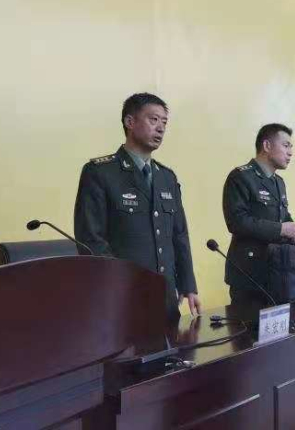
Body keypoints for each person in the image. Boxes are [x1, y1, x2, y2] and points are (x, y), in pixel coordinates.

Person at [74, 93, 201, 319]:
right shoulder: (101, 173)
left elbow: (179, 234)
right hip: (121, 300)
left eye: (164, 122)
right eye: (154, 119)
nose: (161, 128)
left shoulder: (167, 177)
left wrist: (188, 285)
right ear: (130, 122)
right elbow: (91, 239)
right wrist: (117, 284)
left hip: (165, 297)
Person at [222, 124, 295, 310]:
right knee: (249, 327)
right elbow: (237, 221)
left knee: (282, 328)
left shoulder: (278, 182)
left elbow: (283, 216)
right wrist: (280, 229)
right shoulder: (241, 177)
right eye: (286, 145)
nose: (290, 152)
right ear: (267, 146)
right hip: (249, 273)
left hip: (277, 272)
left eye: (291, 147)